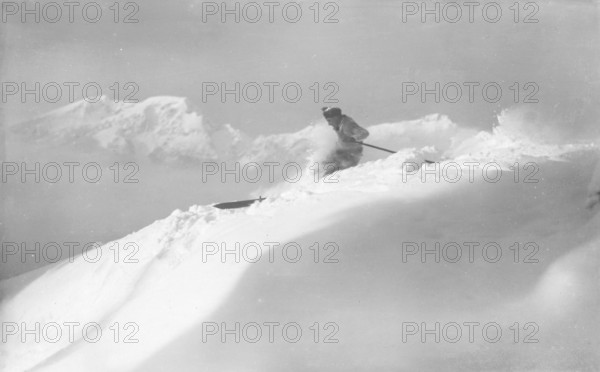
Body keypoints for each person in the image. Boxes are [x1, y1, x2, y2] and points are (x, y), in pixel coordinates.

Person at [321, 107, 370, 175]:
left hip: (349, 156)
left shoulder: (348, 125)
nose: (329, 124)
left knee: (329, 174)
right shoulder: (340, 122)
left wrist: (354, 138)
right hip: (340, 151)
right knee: (321, 164)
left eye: (329, 120)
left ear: (336, 118)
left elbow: (364, 133)